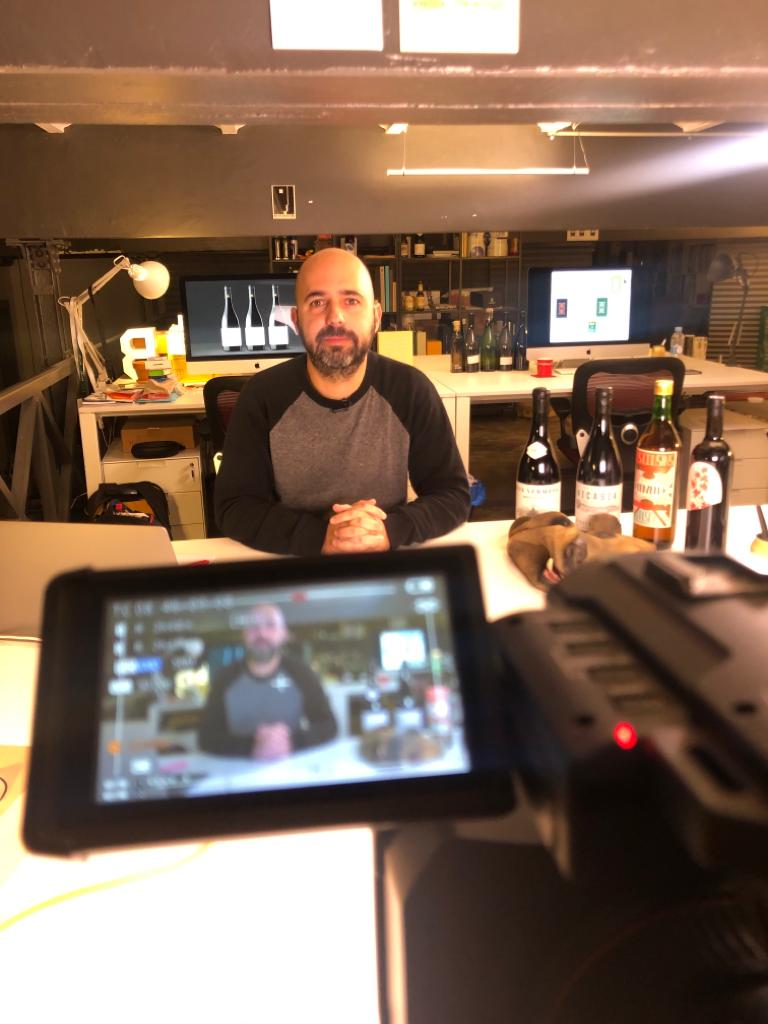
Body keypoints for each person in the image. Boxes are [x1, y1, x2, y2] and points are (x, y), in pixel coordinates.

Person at [214, 247, 470, 555]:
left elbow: (453, 495)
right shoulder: (261, 396)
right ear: (296, 320)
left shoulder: (411, 390)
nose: (335, 317)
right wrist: (322, 537)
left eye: (351, 301)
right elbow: (235, 507)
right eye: (317, 302)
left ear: (376, 316)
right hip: (294, 559)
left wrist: (389, 530)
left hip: (383, 559)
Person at [197, 603, 337, 759]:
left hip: (290, 766)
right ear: (244, 634)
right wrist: (253, 746)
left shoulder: (302, 673)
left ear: (284, 634)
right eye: (253, 626)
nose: (261, 633)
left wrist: (291, 742)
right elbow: (206, 738)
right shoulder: (225, 677)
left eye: (270, 625)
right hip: (238, 769)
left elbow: (328, 726)